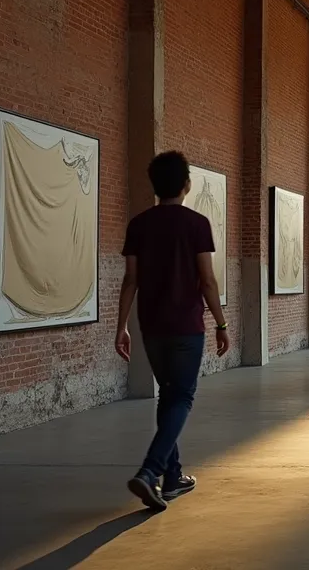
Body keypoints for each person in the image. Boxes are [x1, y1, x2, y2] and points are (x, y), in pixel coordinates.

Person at [115, 151, 230, 512]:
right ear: (187, 185)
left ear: (154, 185)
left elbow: (130, 279)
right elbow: (207, 281)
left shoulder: (139, 224)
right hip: (186, 327)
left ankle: (173, 477)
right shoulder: (197, 224)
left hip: (151, 326)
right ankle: (150, 471)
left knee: (168, 395)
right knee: (181, 397)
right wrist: (222, 324)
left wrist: (121, 327)